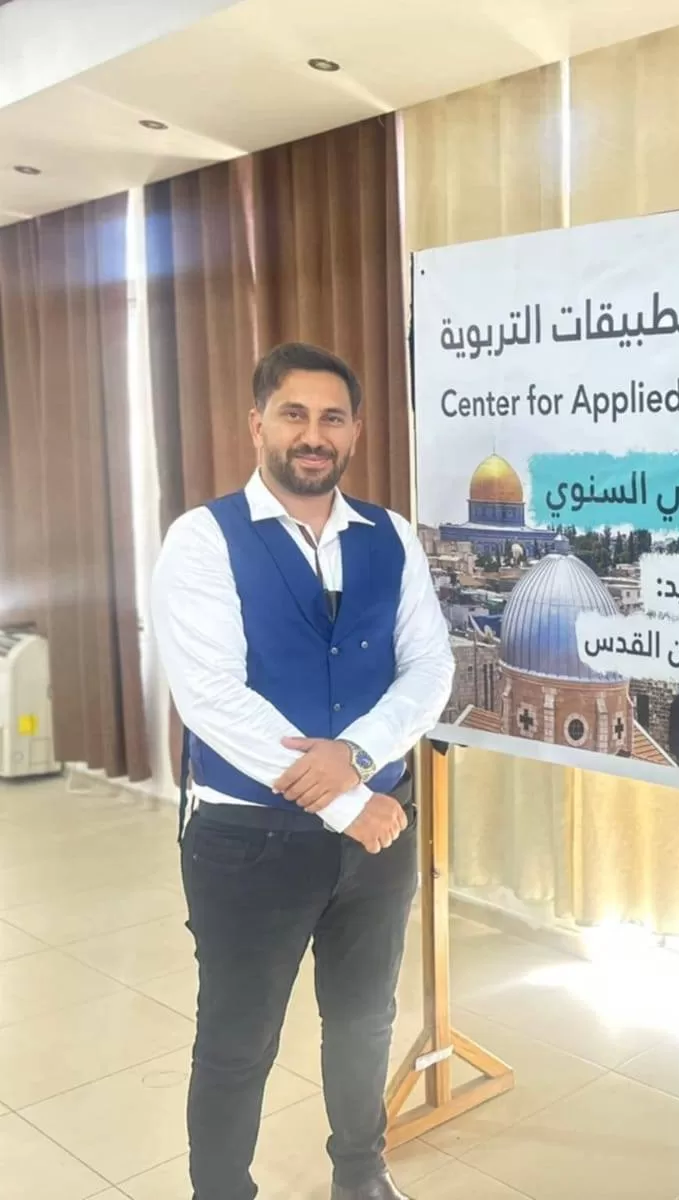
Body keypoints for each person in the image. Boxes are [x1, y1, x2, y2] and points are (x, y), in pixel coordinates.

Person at [151, 342, 454, 1200]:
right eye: (294, 414)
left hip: (378, 835)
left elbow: (429, 668)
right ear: (258, 424)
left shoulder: (391, 537)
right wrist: (349, 801)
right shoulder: (202, 540)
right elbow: (213, 698)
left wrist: (356, 758)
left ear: (355, 431)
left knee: (364, 1021)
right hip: (250, 841)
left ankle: (360, 1175)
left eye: (332, 418)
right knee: (238, 1041)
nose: (313, 435)